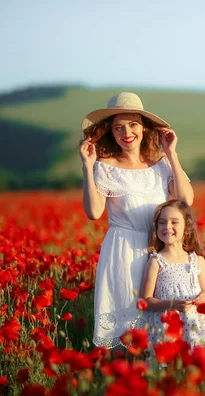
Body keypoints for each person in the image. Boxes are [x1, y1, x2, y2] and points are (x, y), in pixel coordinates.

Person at [79, 92, 194, 349]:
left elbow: (185, 201)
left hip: (160, 249)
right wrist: (88, 166)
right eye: (118, 127)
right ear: (111, 132)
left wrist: (171, 154)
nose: (126, 132)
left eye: (132, 125)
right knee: (127, 329)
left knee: (160, 328)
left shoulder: (162, 163)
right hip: (123, 252)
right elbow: (94, 213)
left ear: (143, 128)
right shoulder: (104, 166)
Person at [140, 200, 205, 360]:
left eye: (174, 222)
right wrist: (172, 305)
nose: (167, 227)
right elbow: (146, 300)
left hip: (194, 323)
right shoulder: (156, 261)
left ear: (186, 228)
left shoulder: (197, 260)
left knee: (200, 362)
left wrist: (204, 298)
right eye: (162, 222)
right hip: (167, 326)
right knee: (173, 365)